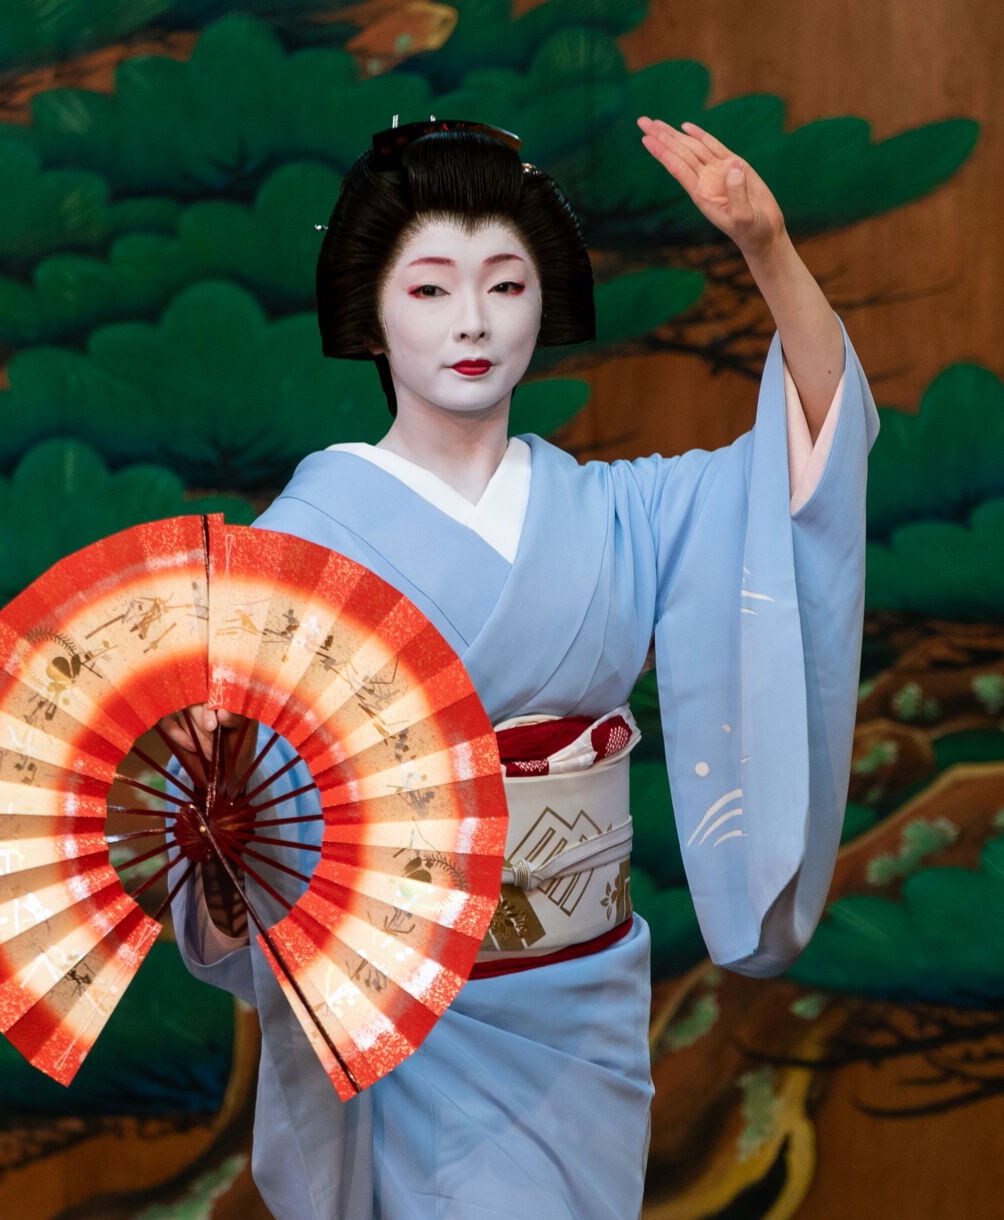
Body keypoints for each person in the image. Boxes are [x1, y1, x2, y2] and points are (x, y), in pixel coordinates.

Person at [167, 117, 877, 1218]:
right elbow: (240, 837)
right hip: (409, 1000)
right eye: (430, 289)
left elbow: (813, 460)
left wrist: (765, 247)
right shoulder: (302, 544)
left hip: (586, 1002)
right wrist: (222, 838)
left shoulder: (617, 510)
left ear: (544, 303)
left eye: (504, 285)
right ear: (367, 314)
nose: (471, 322)